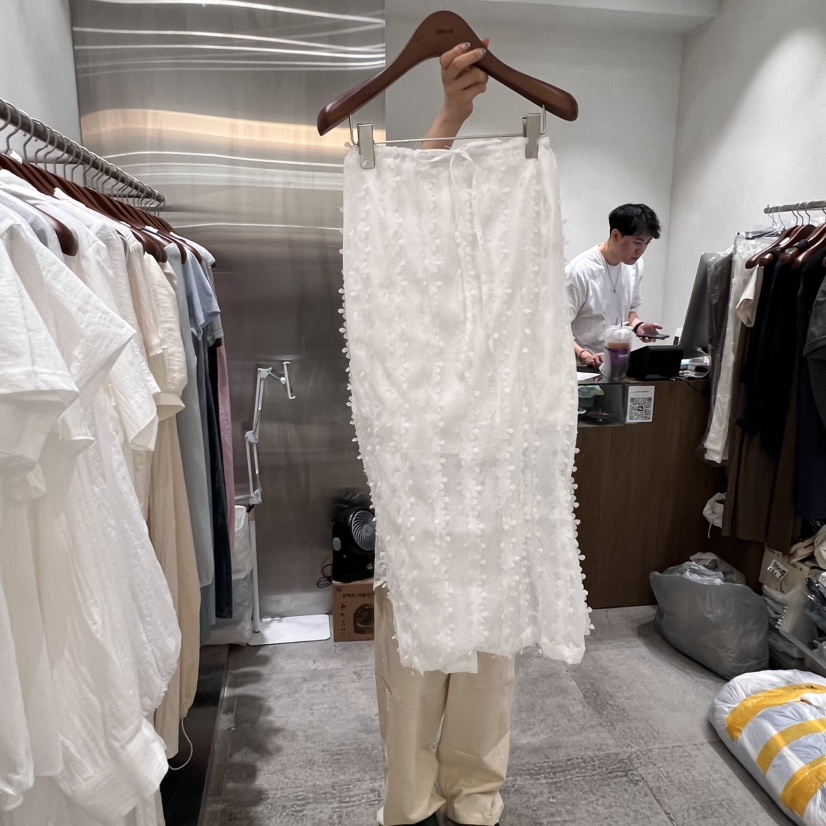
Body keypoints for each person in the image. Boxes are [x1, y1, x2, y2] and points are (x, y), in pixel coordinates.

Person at [372, 41, 511, 826]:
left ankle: (475, 785)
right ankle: (412, 790)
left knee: (489, 645)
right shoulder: (402, 281)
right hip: (419, 464)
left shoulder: (511, 275)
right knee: (416, 641)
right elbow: (408, 220)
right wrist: (449, 118)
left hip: (496, 461)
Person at [566, 204, 663, 369]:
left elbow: (629, 311)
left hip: (616, 363)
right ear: (615, 235)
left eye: (647, 243)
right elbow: (558, 327)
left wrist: (638, 326)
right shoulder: (579, 271)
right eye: (637, 242)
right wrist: (585, 356)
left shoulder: (636, 265)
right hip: (579, 368)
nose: (641, 250)